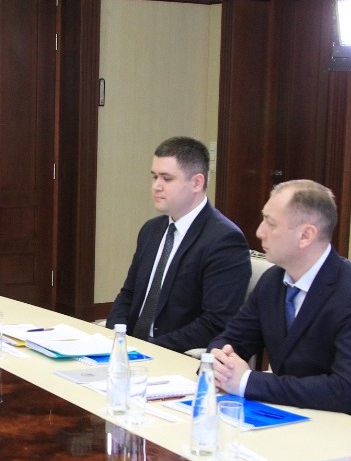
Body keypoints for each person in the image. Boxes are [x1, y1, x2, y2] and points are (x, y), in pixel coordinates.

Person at [208, 179, 351, 418]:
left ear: (305, 235)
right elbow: (232, 338)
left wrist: (246, 381)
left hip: (349, 426)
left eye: (270, 223)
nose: (259, 232)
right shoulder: (272, 281)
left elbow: (344, 391)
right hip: (288, 413)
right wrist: (219, 361)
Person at [106, 136, 251, 353]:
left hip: (175, 354)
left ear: (197, 183)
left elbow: (215, 322)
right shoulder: (151, 230)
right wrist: (116, 338)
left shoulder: (224, 240)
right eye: (154, 177)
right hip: (131, 351)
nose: (156, 186)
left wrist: (150, 350)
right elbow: (128, 294)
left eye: (167, 178)